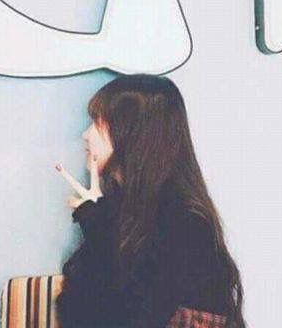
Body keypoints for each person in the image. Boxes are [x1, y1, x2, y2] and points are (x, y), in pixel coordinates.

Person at [54, 74, 247, 328]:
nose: (86, 135)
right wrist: (100, 219)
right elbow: (77, 311)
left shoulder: (186, 223)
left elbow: (135, 317)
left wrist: (98, 223)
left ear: (135, 133)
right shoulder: (121, 214)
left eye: (99, 123)